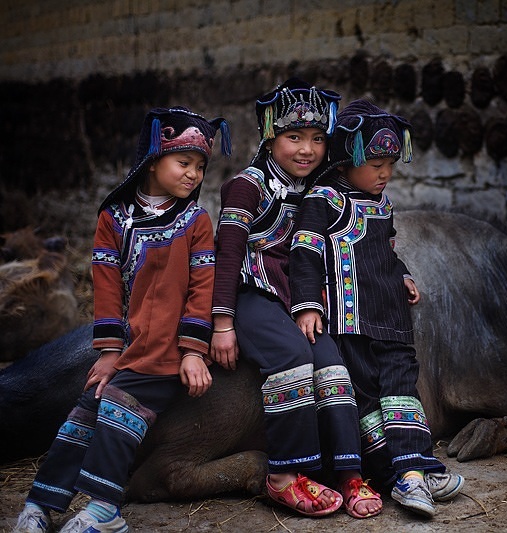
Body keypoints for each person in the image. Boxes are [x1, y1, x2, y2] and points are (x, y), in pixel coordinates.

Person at [11, 106, 230, 533]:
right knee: (83, 412)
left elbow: (202, 290)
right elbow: (107, 291)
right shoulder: (114, 219)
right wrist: (110, 351)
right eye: (183, 163)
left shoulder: (196, 222)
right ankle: (41, 503)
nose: (193, 175)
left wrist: (192, 352)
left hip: (166, 350)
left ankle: (104, 508)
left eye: (200, 167)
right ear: (152, 160)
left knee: (117, 408)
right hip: (131, 347)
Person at [210, 78, 382, 519]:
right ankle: (285, 474)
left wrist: (395, 275)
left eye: (318, 139)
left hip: (296, 298)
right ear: (271, 137)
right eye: (294, 137)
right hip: (250, 293)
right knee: (290, 357)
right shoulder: (246, 186)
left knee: (333, 364)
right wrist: (223, 324)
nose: (306, 149)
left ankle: (348, 472)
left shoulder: (319, 186)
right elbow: (227, 254)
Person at [289, 99, 465, 519]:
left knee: (403, 394)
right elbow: (304, 254)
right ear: (346, 159)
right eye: (375, 164)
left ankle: (418, 467)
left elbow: (386, 252)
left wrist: (402, 274)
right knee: (368, 400)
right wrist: (308, 307)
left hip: (392, 320)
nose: (385, 174)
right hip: (350, 323)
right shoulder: (324, 200)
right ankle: (399, 478)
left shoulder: (382, 205)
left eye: (389, 164)